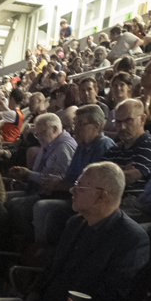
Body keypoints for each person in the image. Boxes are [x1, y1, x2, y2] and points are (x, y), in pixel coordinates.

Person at [0, 163, 150, 301]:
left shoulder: (131, 238)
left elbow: (110, 300)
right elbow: (50, 269)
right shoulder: (75, 223)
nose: (72, 189)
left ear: (102, 195)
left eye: (80, 186)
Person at [31, 104, 117, 244]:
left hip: (91, 200)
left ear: (96, 125)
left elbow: (93, 184)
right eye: (75, 124)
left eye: (81, 124)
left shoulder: (104, 146)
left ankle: (46, 252)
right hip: (75, 194)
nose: (74, 129)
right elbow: (70, 176)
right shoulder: (82, 146)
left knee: (44, 209)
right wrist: (57, 183)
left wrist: (62, 186)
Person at [101, 99, 151, 191]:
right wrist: (121, 171)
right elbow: (97, 176)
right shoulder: (113, 150)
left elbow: (130, 177)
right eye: (118, 122)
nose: (122, 127)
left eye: (128, 121)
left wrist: (113, 172)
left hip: (136, 203)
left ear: (142, 120)